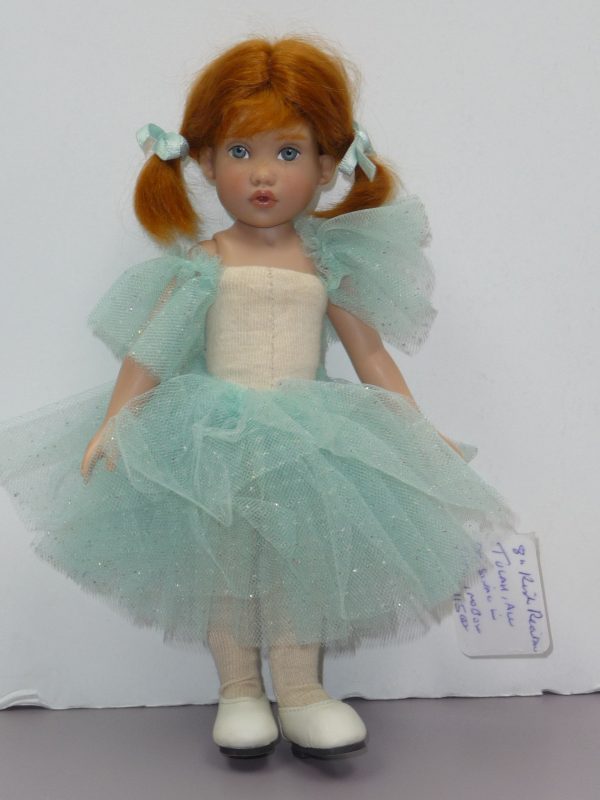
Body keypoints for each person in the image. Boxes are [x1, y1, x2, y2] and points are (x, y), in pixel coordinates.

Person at [0, 36, 518, 760]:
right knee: (223, 568)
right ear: (206, 162)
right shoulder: (205, 263)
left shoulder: (327, 263)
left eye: (289, 152)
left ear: (327, 167)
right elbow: (152, 349)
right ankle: (239, 690)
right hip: (212, 437)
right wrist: (116, 420)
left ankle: (302, 693)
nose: (264, 174)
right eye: (241, 152)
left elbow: (370, 354)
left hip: (312, 441)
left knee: (302, 567)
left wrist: (416, 428)